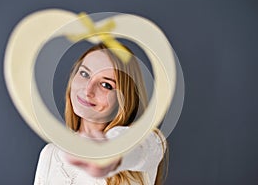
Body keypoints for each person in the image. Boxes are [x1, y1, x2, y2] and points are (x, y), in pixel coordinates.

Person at [34, 43, 168, 185]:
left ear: (123, 99)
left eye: (106, 85)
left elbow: (138, 150)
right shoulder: (50, 154)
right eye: (84, 74)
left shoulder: (148, 140)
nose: (88, 90)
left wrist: (110, 154)